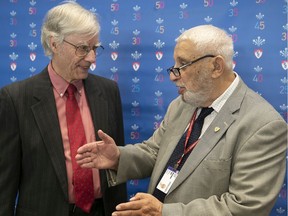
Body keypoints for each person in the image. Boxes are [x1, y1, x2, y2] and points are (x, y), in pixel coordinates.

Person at [76, 24, 287, 216]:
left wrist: (163, 212)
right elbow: (155, 152)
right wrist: (119, 158)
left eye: (183, 64)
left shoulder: (263, 126)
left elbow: (244, 207)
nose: (173, 76)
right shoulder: (183, 103)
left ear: (216, 67)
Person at [0, 2, 127, 216]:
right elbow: (4, 181)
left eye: (95, 48)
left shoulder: (108, 91)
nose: (92, 58)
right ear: (55, 44)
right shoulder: (16, 98)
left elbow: (117, 162)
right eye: (83, 48)